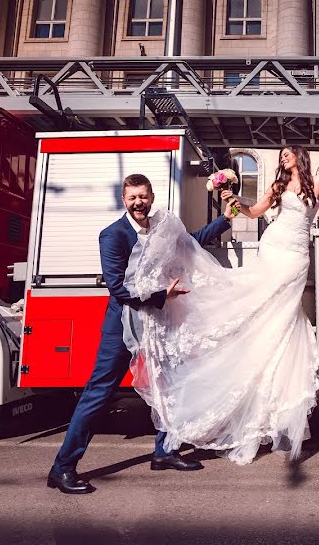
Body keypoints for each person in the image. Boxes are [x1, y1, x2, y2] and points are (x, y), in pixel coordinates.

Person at [122, 146, 319, 466]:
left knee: (285, 319)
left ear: (300, 156)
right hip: (274, 249)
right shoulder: (277, 186)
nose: (283, 159)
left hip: (298, 255)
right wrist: (234, 202)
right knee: (267, 312)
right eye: (281, 156)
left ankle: (278, 401)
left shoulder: (318, 182)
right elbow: (255, 212)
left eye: (287, 155)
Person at [47, 173, 235, 495]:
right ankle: (62, 468)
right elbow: (118, 287)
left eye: (143, 197)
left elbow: (191, 242)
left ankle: (165, 451)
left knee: (172, 385)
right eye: (132, 197)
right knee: (99, 394)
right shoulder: (112, 235)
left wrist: (224, 220)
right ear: (124, 199)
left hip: (159, 324)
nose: (139, 203)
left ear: (151, 197)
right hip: (123, 327)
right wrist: (163, 295)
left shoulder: (161, 228)